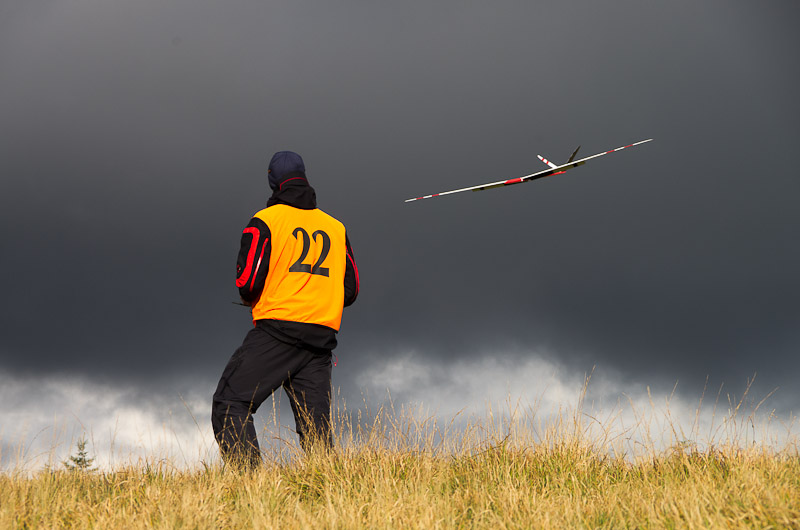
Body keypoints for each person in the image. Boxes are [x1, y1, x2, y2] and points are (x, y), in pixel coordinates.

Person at [211, 151, 359, 467]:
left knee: (230, 403)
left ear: (272, 181)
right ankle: (331, 494)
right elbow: (351, 290)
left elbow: (248, 281)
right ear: (304, 176)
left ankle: (249, 488)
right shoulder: (336, 227)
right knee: (316, 431)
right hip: (321, 337)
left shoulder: (265, 221)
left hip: (277, 331)